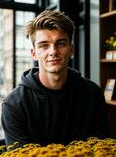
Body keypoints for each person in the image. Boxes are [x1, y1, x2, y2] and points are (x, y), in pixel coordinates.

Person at [1, 10, 109, 147]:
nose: (53, 52)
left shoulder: (93, 93)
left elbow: (103, 148)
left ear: (71, 50)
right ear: (34, 53)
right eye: (44, 45)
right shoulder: (14, 105)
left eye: (61, 43)